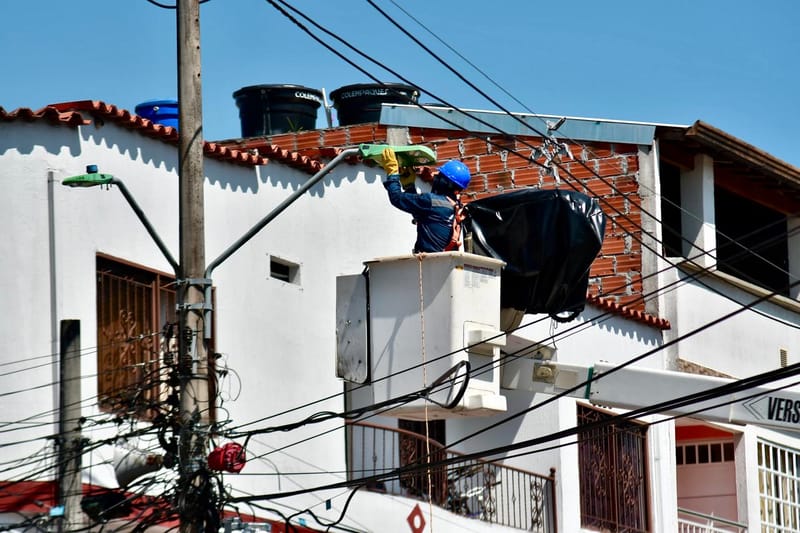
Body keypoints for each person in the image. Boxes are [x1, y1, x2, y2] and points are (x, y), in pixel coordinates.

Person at [380, 147, 471, 253]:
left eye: (439, 176)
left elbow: (396, 198)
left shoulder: (430, 201)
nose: (435, 177)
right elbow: (421, 212)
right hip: (441, 259)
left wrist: (392, 172)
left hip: (429, 260)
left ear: (446, 182)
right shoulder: (454, 207)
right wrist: (409, 187)